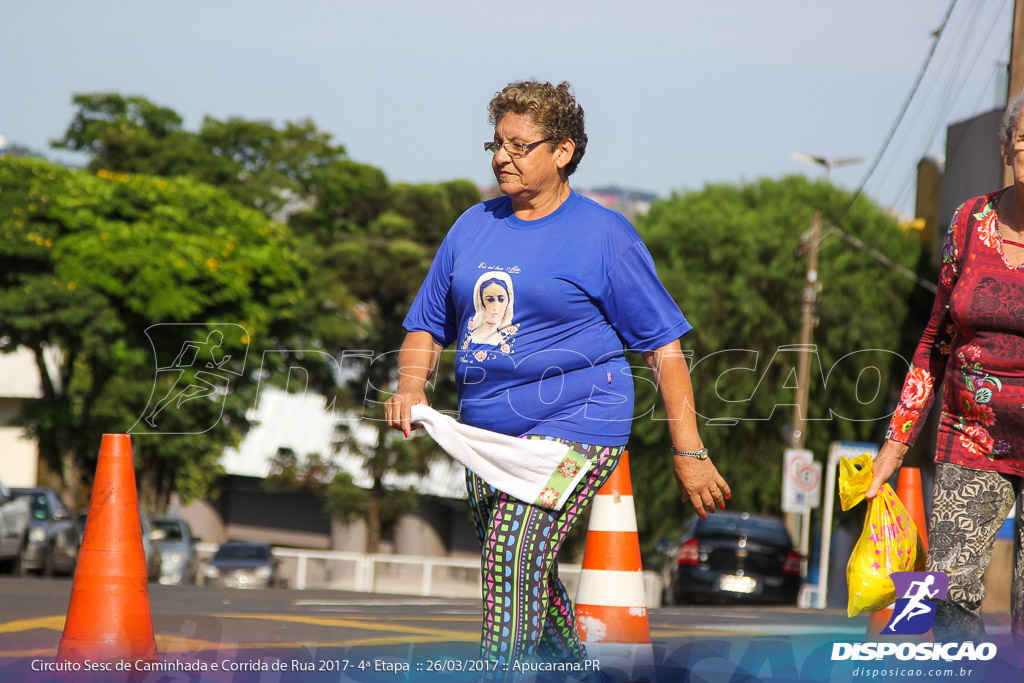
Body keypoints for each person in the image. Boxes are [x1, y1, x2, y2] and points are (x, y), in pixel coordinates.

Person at [383, 80, 729, 672]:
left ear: (563, 150)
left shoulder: (604, 235)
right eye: (496, 143)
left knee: (512, 556)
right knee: (528, 579)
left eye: (519, 145)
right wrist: (412, 386)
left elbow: (663, 348)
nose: (501, 157)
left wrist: (688, 449)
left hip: (578, 427)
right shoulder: (472, 225)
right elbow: (425, 325)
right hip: (486, 436)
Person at [867, 89, 1024, 642]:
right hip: (971, 437)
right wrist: (894, 445)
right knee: (950, 595)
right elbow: (936, 340)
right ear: (1008, 146)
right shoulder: (967, 220)